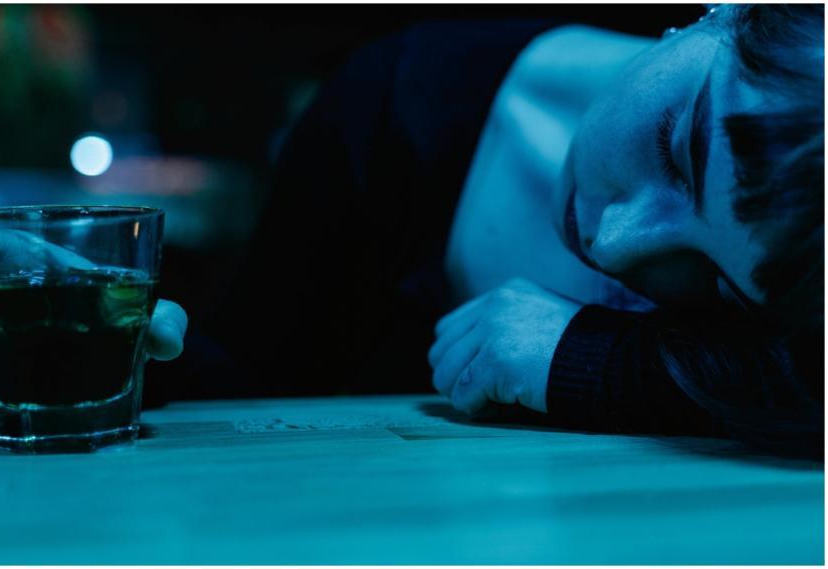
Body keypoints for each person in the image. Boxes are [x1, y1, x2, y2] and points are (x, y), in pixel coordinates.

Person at [170, 5, 823, 456]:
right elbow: (242, 394)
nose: (614, 243)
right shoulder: (391, 114)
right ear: (730, 6)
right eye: (674, 150)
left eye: (714, 280)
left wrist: (595, 362)